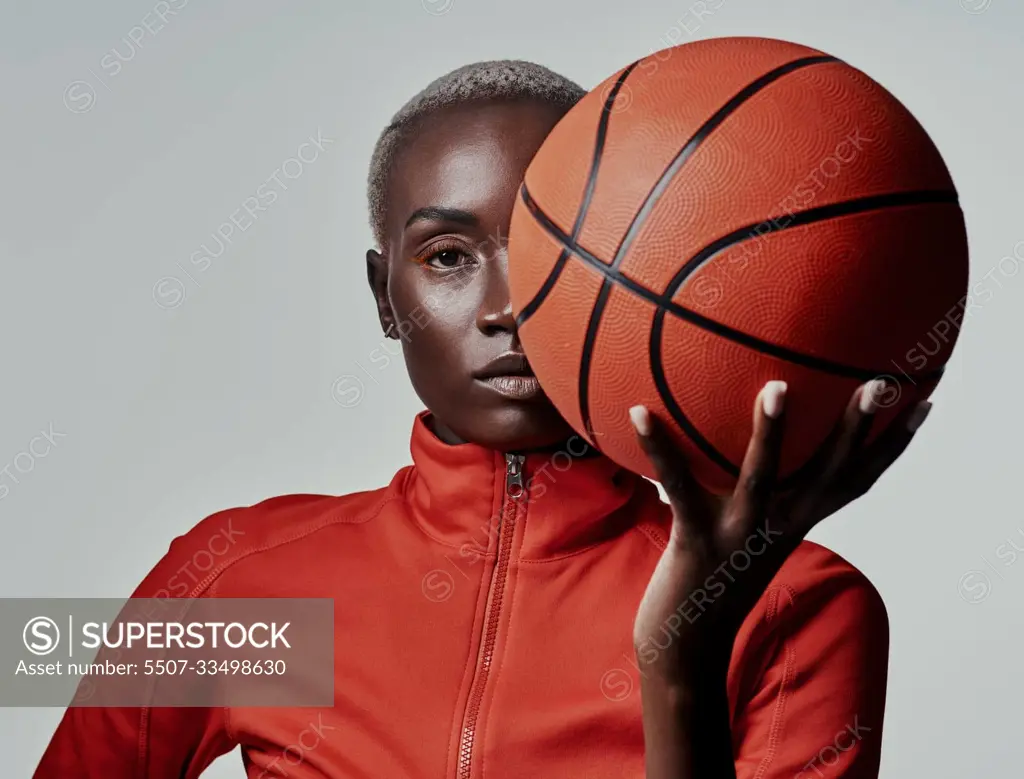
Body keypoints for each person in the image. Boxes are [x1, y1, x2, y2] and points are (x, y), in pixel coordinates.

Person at [35, 59, 931, 779]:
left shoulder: (799, 609)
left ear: (628, 271)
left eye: (555, 251)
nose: (507, 307)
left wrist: (682, 661)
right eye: (449, 255)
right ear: (386, 296)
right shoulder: (242, 580)